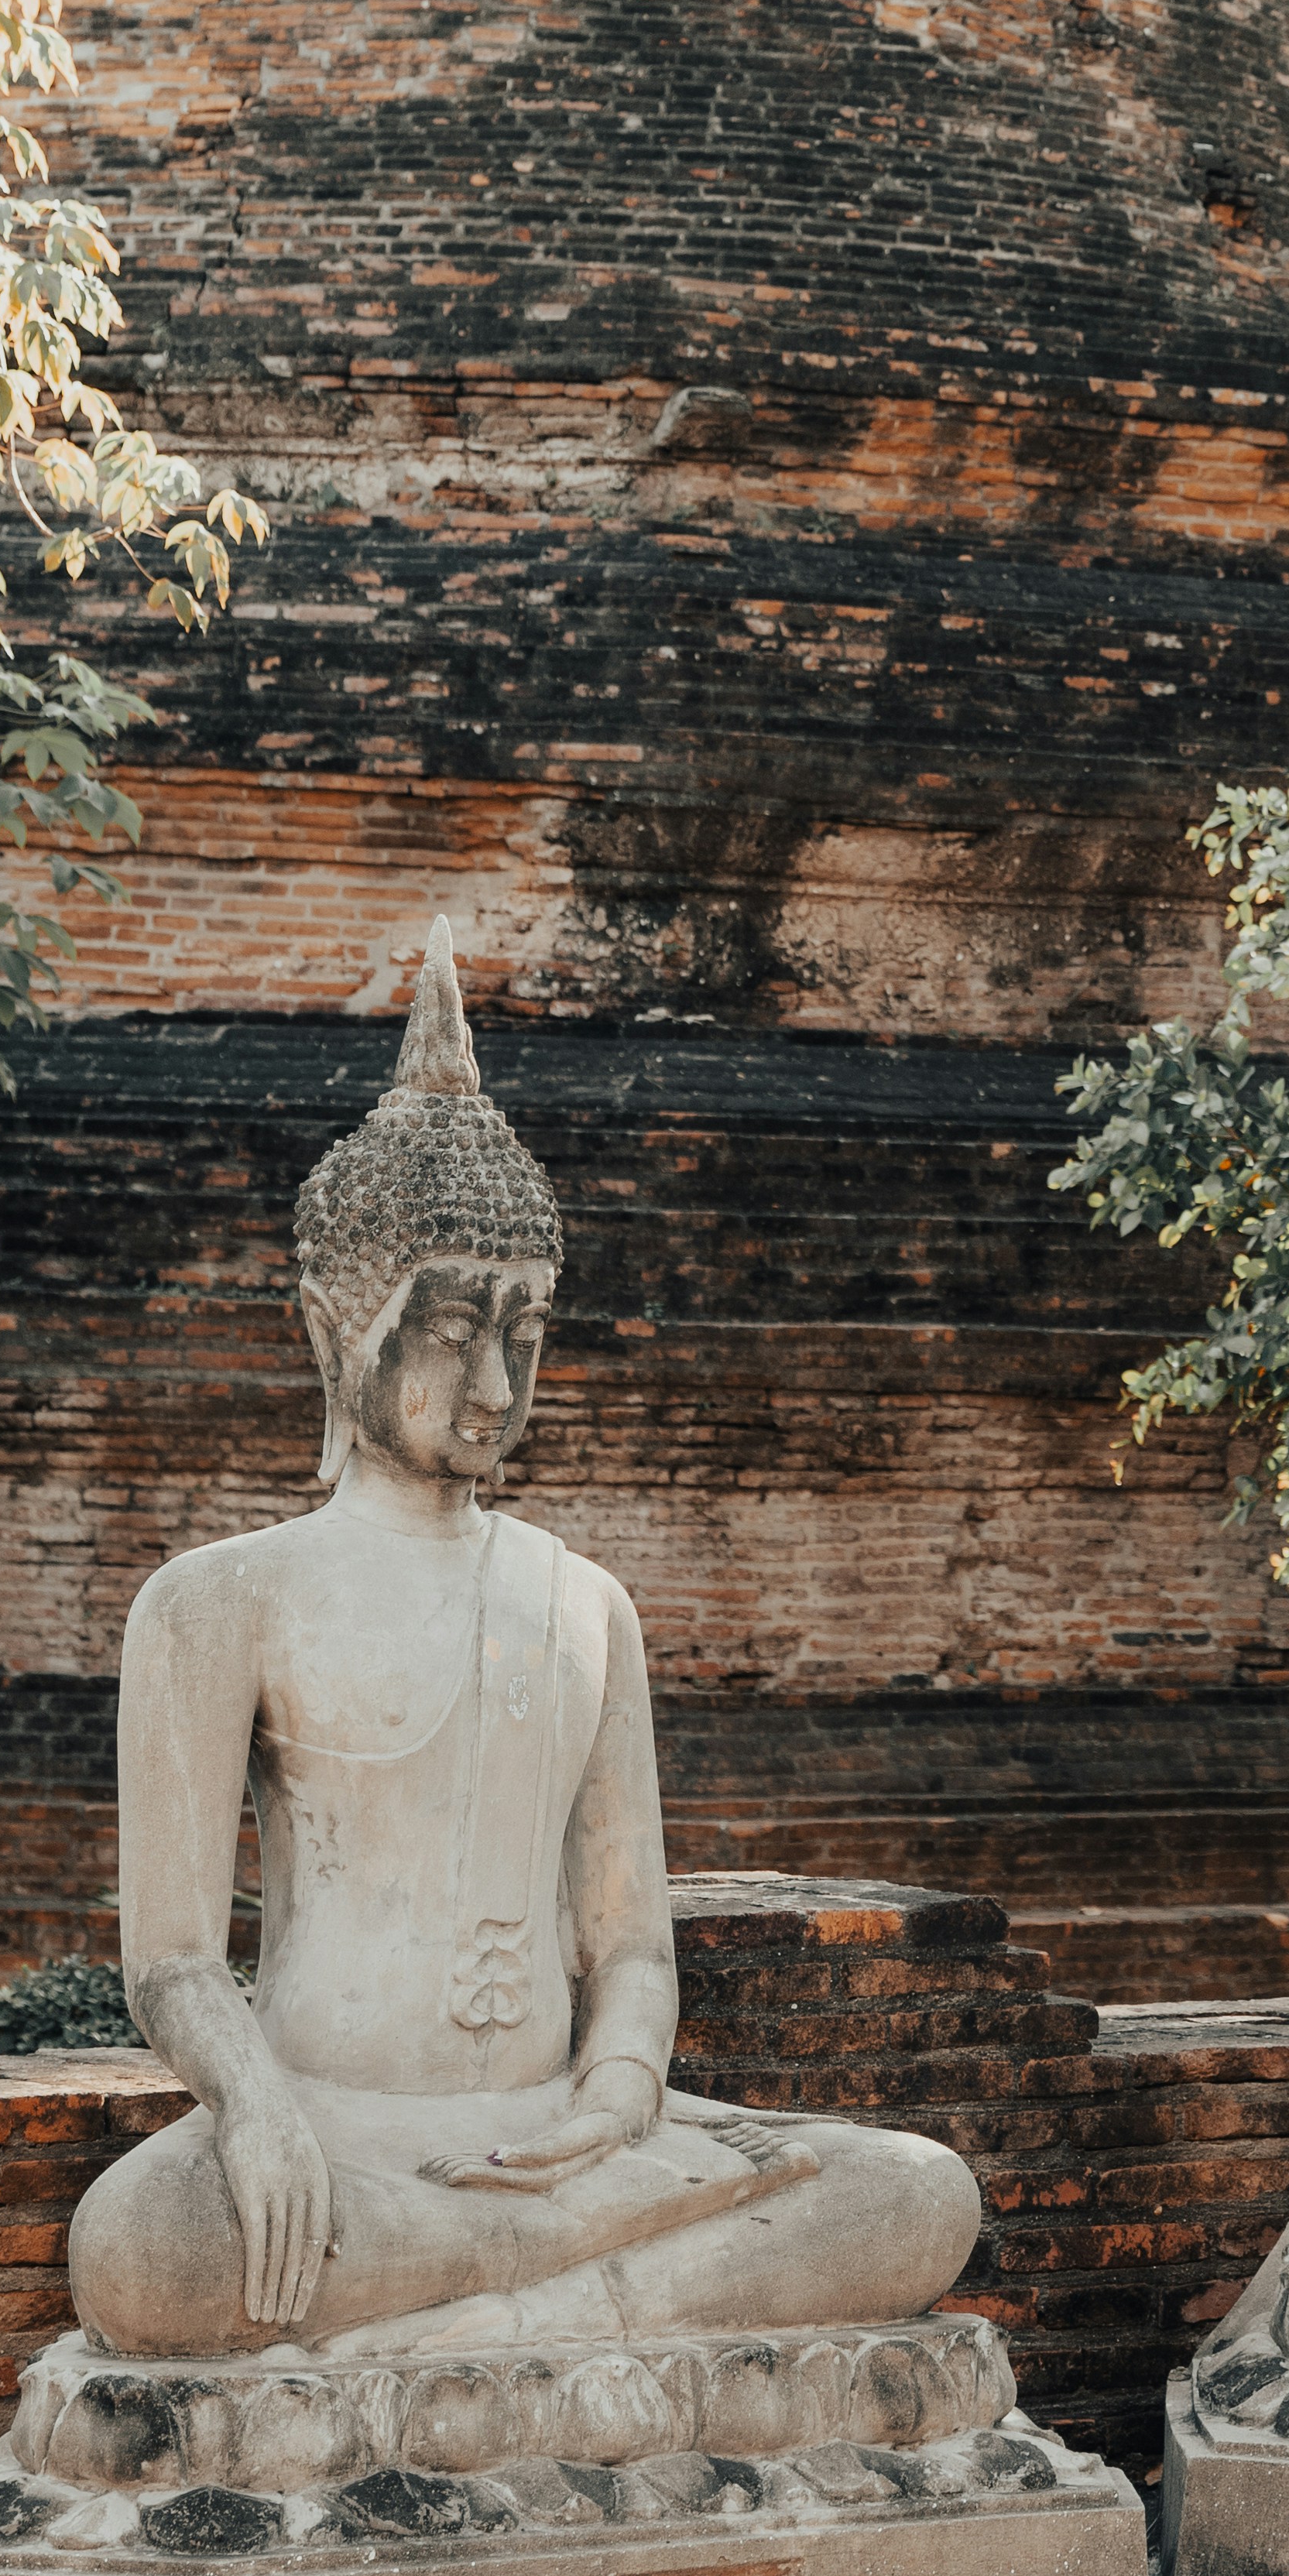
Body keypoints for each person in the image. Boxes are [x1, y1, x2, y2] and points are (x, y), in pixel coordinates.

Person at [68, 923, 976, 2361]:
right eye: (444, 1332)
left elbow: (631, 1946)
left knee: (922, 2196)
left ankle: (530, 2300)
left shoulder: (585, 1603)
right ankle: (578, 2299)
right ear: (333, 1333)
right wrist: (254, 2112)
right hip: (342, 2139)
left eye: (527, 1332)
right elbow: (174, 1961)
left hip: (569, 2142)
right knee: (140, 2251)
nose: (492, 1383)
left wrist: (620, 2096)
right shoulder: (220, 1601)